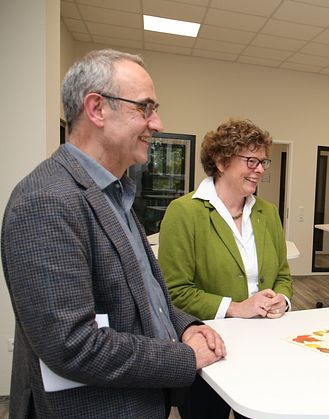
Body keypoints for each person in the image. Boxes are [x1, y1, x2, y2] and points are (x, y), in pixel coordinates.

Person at [1, 49, 226, 418]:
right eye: (145, 108)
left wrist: (185, 326)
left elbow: (143, 295)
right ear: (97, 109)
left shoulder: (113, 193)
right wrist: (184, 357)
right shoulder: (46, 201)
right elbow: (72, 345)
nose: (157, 123)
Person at [158, 118, 293, 419]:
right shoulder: (184, 212)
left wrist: (281, 300)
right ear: (220, 161)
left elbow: (282, 274)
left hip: (266, 344)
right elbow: (173, 292)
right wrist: (236, 307)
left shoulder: (267, 213)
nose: (260, 169)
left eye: (263, 161)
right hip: (210, 346)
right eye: (251, 160)